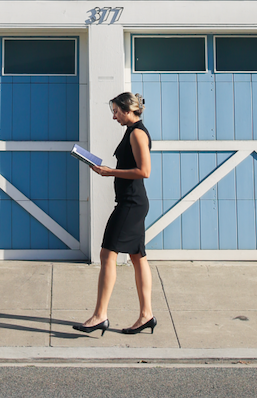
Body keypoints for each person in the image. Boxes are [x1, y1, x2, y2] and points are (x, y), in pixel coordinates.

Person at [72, 92, 156, 336]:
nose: (113, 116)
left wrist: (110, 172)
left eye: (117, 111)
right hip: (132, 202)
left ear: (129, 110)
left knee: (107, 253)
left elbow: (144, 171)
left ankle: (99, 316)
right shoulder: (131, 131)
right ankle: (146, 315)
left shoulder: (138, 133)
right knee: (138, 257)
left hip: (131, 204)